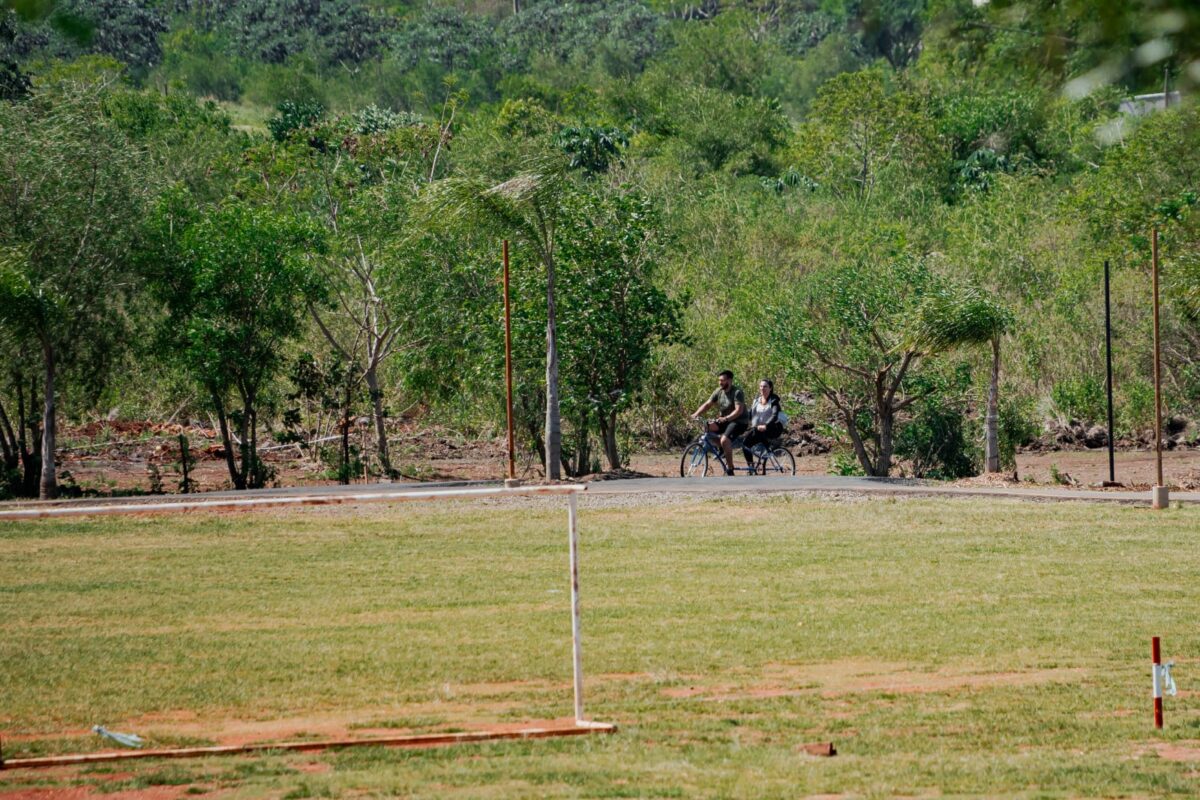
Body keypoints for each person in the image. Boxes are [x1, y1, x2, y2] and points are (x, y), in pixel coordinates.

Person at [690, 370, 749, 475]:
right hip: (725, 419)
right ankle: (722, 449)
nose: (720, 383)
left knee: (724, 440)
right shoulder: (719, 391)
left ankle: (730, 468)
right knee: (708, 427)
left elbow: (738, 410)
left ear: (729, 381)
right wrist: (696, 413)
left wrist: (726, 418)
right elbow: (708, 404)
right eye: (719, 380)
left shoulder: (737, 392)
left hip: (739, 421)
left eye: (722, 380)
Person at [742, 378, 785, 468]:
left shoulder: (774, 401)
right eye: (761, 386)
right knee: (745, 444)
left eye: (765, 386)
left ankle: (764, 450)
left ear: (770, 388)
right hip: (760, 428)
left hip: (773, 428)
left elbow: (774, 416)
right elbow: (750, 414)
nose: (762, 388)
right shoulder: (757, 400)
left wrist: (765, 425)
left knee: (755, 436)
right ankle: (751, 468)